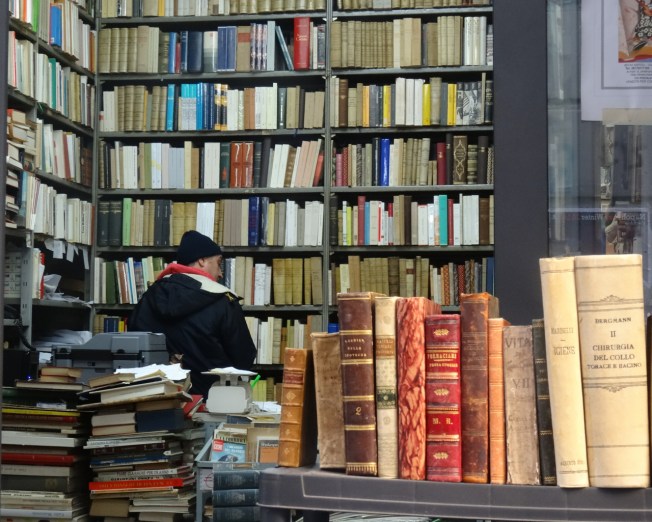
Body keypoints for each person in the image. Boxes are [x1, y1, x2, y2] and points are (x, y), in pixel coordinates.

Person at [129, 230, 257, 397]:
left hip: (155, 401)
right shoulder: (223, 300)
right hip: (214, 402)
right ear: (202, 261)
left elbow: (131, 348)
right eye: (219, 263)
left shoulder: (149, 297)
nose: (220, 273)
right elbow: (243, 358)